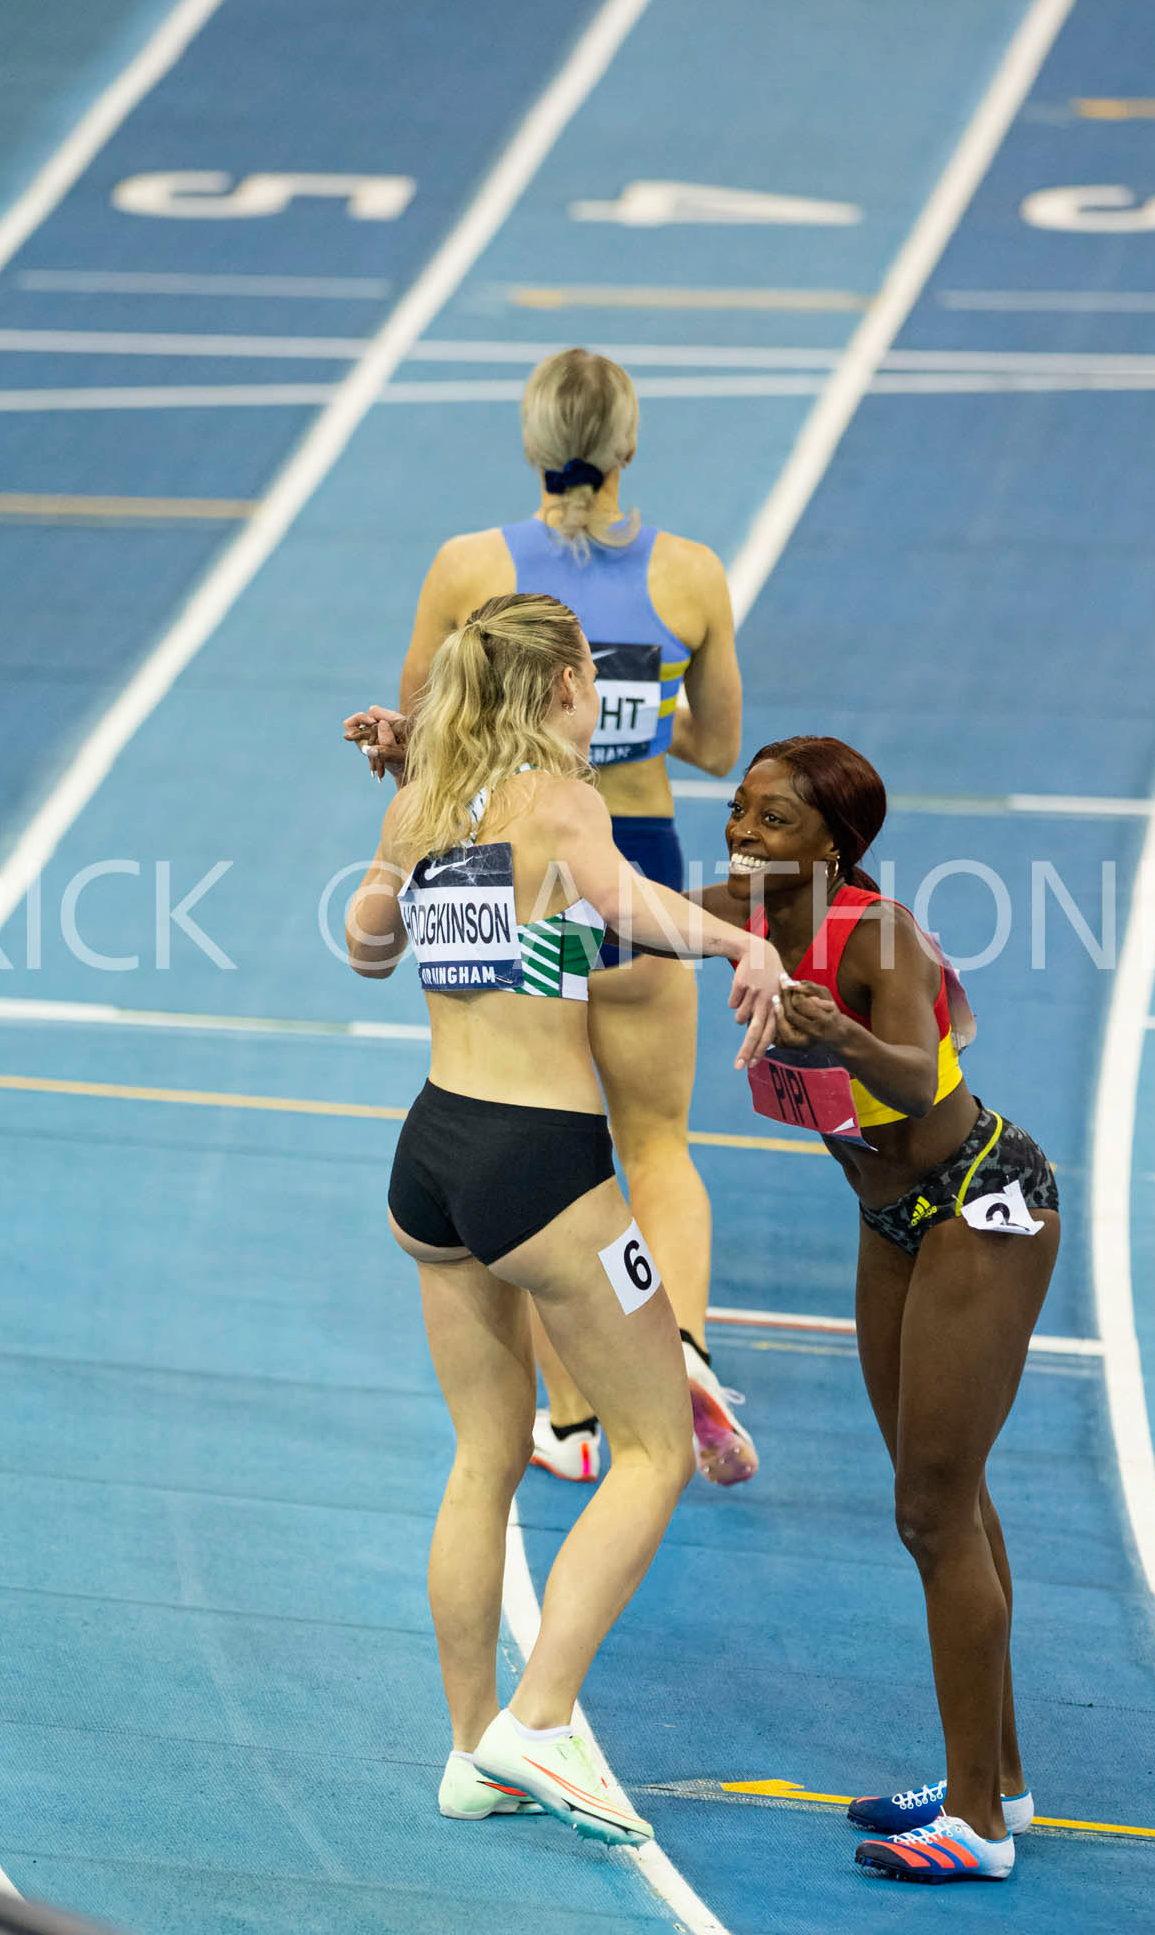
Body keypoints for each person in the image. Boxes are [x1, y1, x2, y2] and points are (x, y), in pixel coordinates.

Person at [343, 593, 781, 1846]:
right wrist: (734, 945)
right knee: (655, 1448)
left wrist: (398, 847)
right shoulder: (558, 798)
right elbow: (626, 902)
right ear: (556, 690)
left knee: (486, 1456)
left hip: (430, 1157)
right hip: (539, 1164)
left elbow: (370, 948)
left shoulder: (424, 803)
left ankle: (472, 1746)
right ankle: (541, 1720)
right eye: (591, 679)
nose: (600, 702)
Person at [381, 346, 755, 1486]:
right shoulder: (688, 574)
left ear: (533, 444)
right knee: (655, 1140)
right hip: (631, 848)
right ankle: (676, 1343)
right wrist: (636, 718)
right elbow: (719, 747)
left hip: (513, 868)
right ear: (629, 442)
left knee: (538, 1115)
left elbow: (424, 728)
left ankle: (577, 1414)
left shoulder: (468, 566)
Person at [703, 736, 1058, 1885]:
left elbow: (912, 1071)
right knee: (944, 1492)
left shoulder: (879, 932)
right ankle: (991, 1779)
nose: (744, 838)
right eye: (738, 813)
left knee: (929, 1510)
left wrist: (838, 1031)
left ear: (835, 844)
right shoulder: (748, 912)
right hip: (892, 1220)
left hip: (982, 1204)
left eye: (772, 822)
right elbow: (613, 904)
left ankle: (978, 1827)